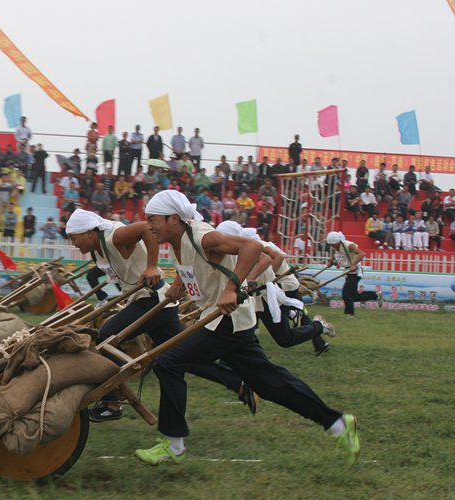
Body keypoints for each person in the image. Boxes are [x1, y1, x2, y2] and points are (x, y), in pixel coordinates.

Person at [137, 190, 360, 466]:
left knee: (168, 362)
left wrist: (232, 288)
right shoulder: (175, 241)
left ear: (173, 218)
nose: (149, 226)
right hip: (226, 319)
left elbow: (253, 248)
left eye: (152, 219)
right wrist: (178, 288)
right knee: (270, 384)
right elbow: (194, 271)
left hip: (226, 319)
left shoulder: (202, 236)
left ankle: (174, 443)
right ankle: (337, 422)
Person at [65, 208, 259, 422]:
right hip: (154, 305)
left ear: (90, 232)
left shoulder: (114, 236)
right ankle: (238, 383)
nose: (73, 243)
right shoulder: (97, 248)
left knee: (105, 337)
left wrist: (152, 267)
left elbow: (145, 229)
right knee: (184, 358)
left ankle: (112, 404)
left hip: (151, 301)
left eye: (74, 237)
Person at [216, 222, 334, 355]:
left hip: (279, 289)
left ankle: (319, 330)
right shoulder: (235, 250)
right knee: (243, 330)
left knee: (292, 329)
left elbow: (273, 259)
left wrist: (259, 278)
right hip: (257, 296)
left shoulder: (259, 247)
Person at [325, 231, 381, 317]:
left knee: (346, 294)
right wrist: (331, 261)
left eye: (333, 244)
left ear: (338, 242)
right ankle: (375, 295)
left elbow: (362, 253)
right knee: (353, 296)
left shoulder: (349, 245)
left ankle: (350, 314)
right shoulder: (336, 247)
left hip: (355, 272)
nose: (332, 246)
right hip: (348, 272)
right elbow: (337, 254)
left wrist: (353, 264)